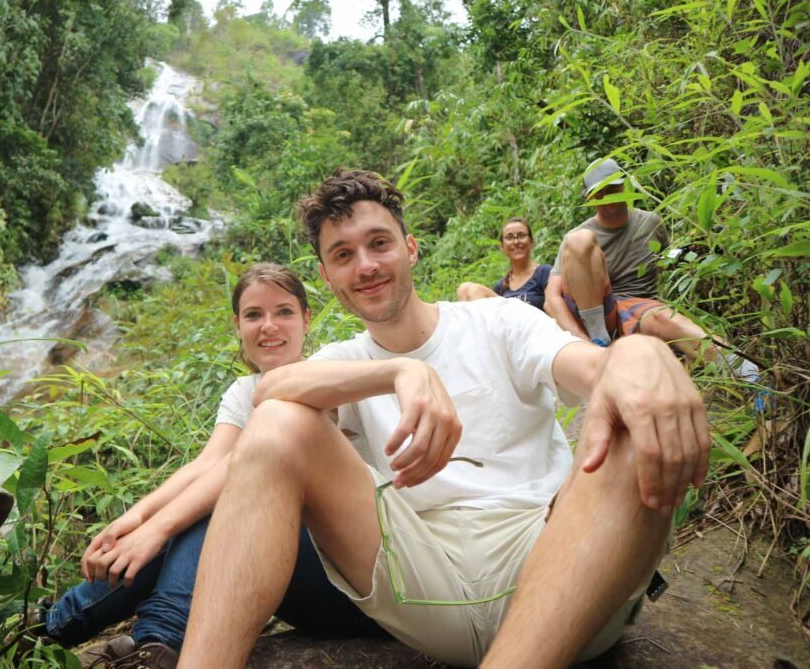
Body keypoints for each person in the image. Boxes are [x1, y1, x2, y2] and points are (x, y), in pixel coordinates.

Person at [177, 169, 709, 669]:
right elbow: (271, 389)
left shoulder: (497, 321)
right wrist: (398, 373)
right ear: (326, 275)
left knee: (632, 416)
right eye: (343, 254)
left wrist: (639, 355)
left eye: (379, 243)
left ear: (410, 247)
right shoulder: (341, 361)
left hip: (553, 569)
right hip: (420, 581)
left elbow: (597, 368)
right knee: (277, 426)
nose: (365, 265)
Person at [45, 262, 382, 669]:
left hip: (354, 586)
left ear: (306, 320)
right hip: (293, 578)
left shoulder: (322, 378)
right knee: (206, 505)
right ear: (237, 325)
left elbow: (229, 475)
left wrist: (158, 528)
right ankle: (57, 628)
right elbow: (207, 464)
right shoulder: (246, 390)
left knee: (218, 509)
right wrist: (135, 520)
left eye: (285, 312)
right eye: (254, 315)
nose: (269, 326)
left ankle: (150, 642)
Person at [545, 158, 760, 380]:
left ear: (624, 185)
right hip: (597, 308)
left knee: (666, 319)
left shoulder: (650, 223)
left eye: (612, 187)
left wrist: (699, 250)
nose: (607, 196)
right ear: (589, 197)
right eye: (600, 192)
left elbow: (665, 263)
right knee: (580, 240)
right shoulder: (578, 235)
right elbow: (551, 299)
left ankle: (748, 372)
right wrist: (582, 342)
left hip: (639, 306)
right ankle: (600, 339)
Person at [457, 217, 551, 312]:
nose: (516, 242)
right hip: (507, 326)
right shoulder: (500, 287)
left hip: (534, 324)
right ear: (502, 247)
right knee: (463, 288)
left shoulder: (544, 273)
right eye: (509, 238)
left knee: (475, 289)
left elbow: (553, 305)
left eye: (521, 236)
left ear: (532, 242)